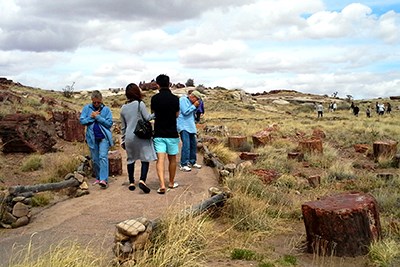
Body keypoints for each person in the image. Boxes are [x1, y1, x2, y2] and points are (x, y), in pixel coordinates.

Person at [120, 83, 156, 193]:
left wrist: (123, 139)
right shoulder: (140, 104)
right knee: (145, 159)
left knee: (131, 159)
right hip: (141, 135)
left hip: (129, 137)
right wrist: (156, 113)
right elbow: (148, 117)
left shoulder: (123, 108)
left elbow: (123, 127)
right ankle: (142, 180)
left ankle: (131, 182)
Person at [151, 74, 180, 194]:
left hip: (159, 133)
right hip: (172, 132)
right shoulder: (175, 99)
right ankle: (171, 183)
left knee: (160, 160)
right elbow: (177, 114)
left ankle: (162, 184)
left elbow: (153, 113)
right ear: (169, 84)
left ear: (157, 85)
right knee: (172, 159)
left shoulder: (154, 98)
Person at [80, 90, 114, 189]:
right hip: (92, 137)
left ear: (101, 100)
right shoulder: (87, 108)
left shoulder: (106, 110)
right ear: (92, 100)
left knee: (103, 157)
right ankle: (98, 177)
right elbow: (82, 121)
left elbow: (109, 123)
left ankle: (104, 179)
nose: (96, 104)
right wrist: (92, 117)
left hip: (103, 137)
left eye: (98, 102)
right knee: (95, 159)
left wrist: (98, 117)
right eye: (94, 102)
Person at [177, 90, 203, 172]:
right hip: (183, 126)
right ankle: (183, 163)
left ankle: (192, 161)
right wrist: (194, 106)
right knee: (186, 145)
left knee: (193, 144)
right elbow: (185, 112)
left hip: (191, 126)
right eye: (197, 99)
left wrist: (196, 107)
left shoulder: (192, 103)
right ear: (193, 97)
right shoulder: (183, 100)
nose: (197, 102)